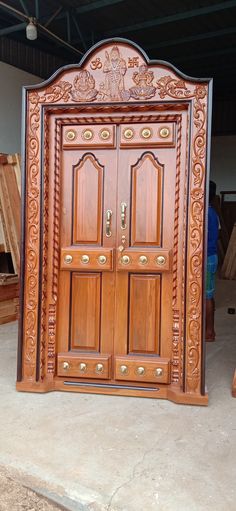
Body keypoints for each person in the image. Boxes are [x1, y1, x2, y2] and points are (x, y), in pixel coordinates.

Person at [205, 180, 219, 341]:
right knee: (209, 294)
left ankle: (209, 332)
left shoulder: (206, 214)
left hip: (207, 257)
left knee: (207, 296)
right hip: (211, 257)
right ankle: (209, 330)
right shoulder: (212, 212)